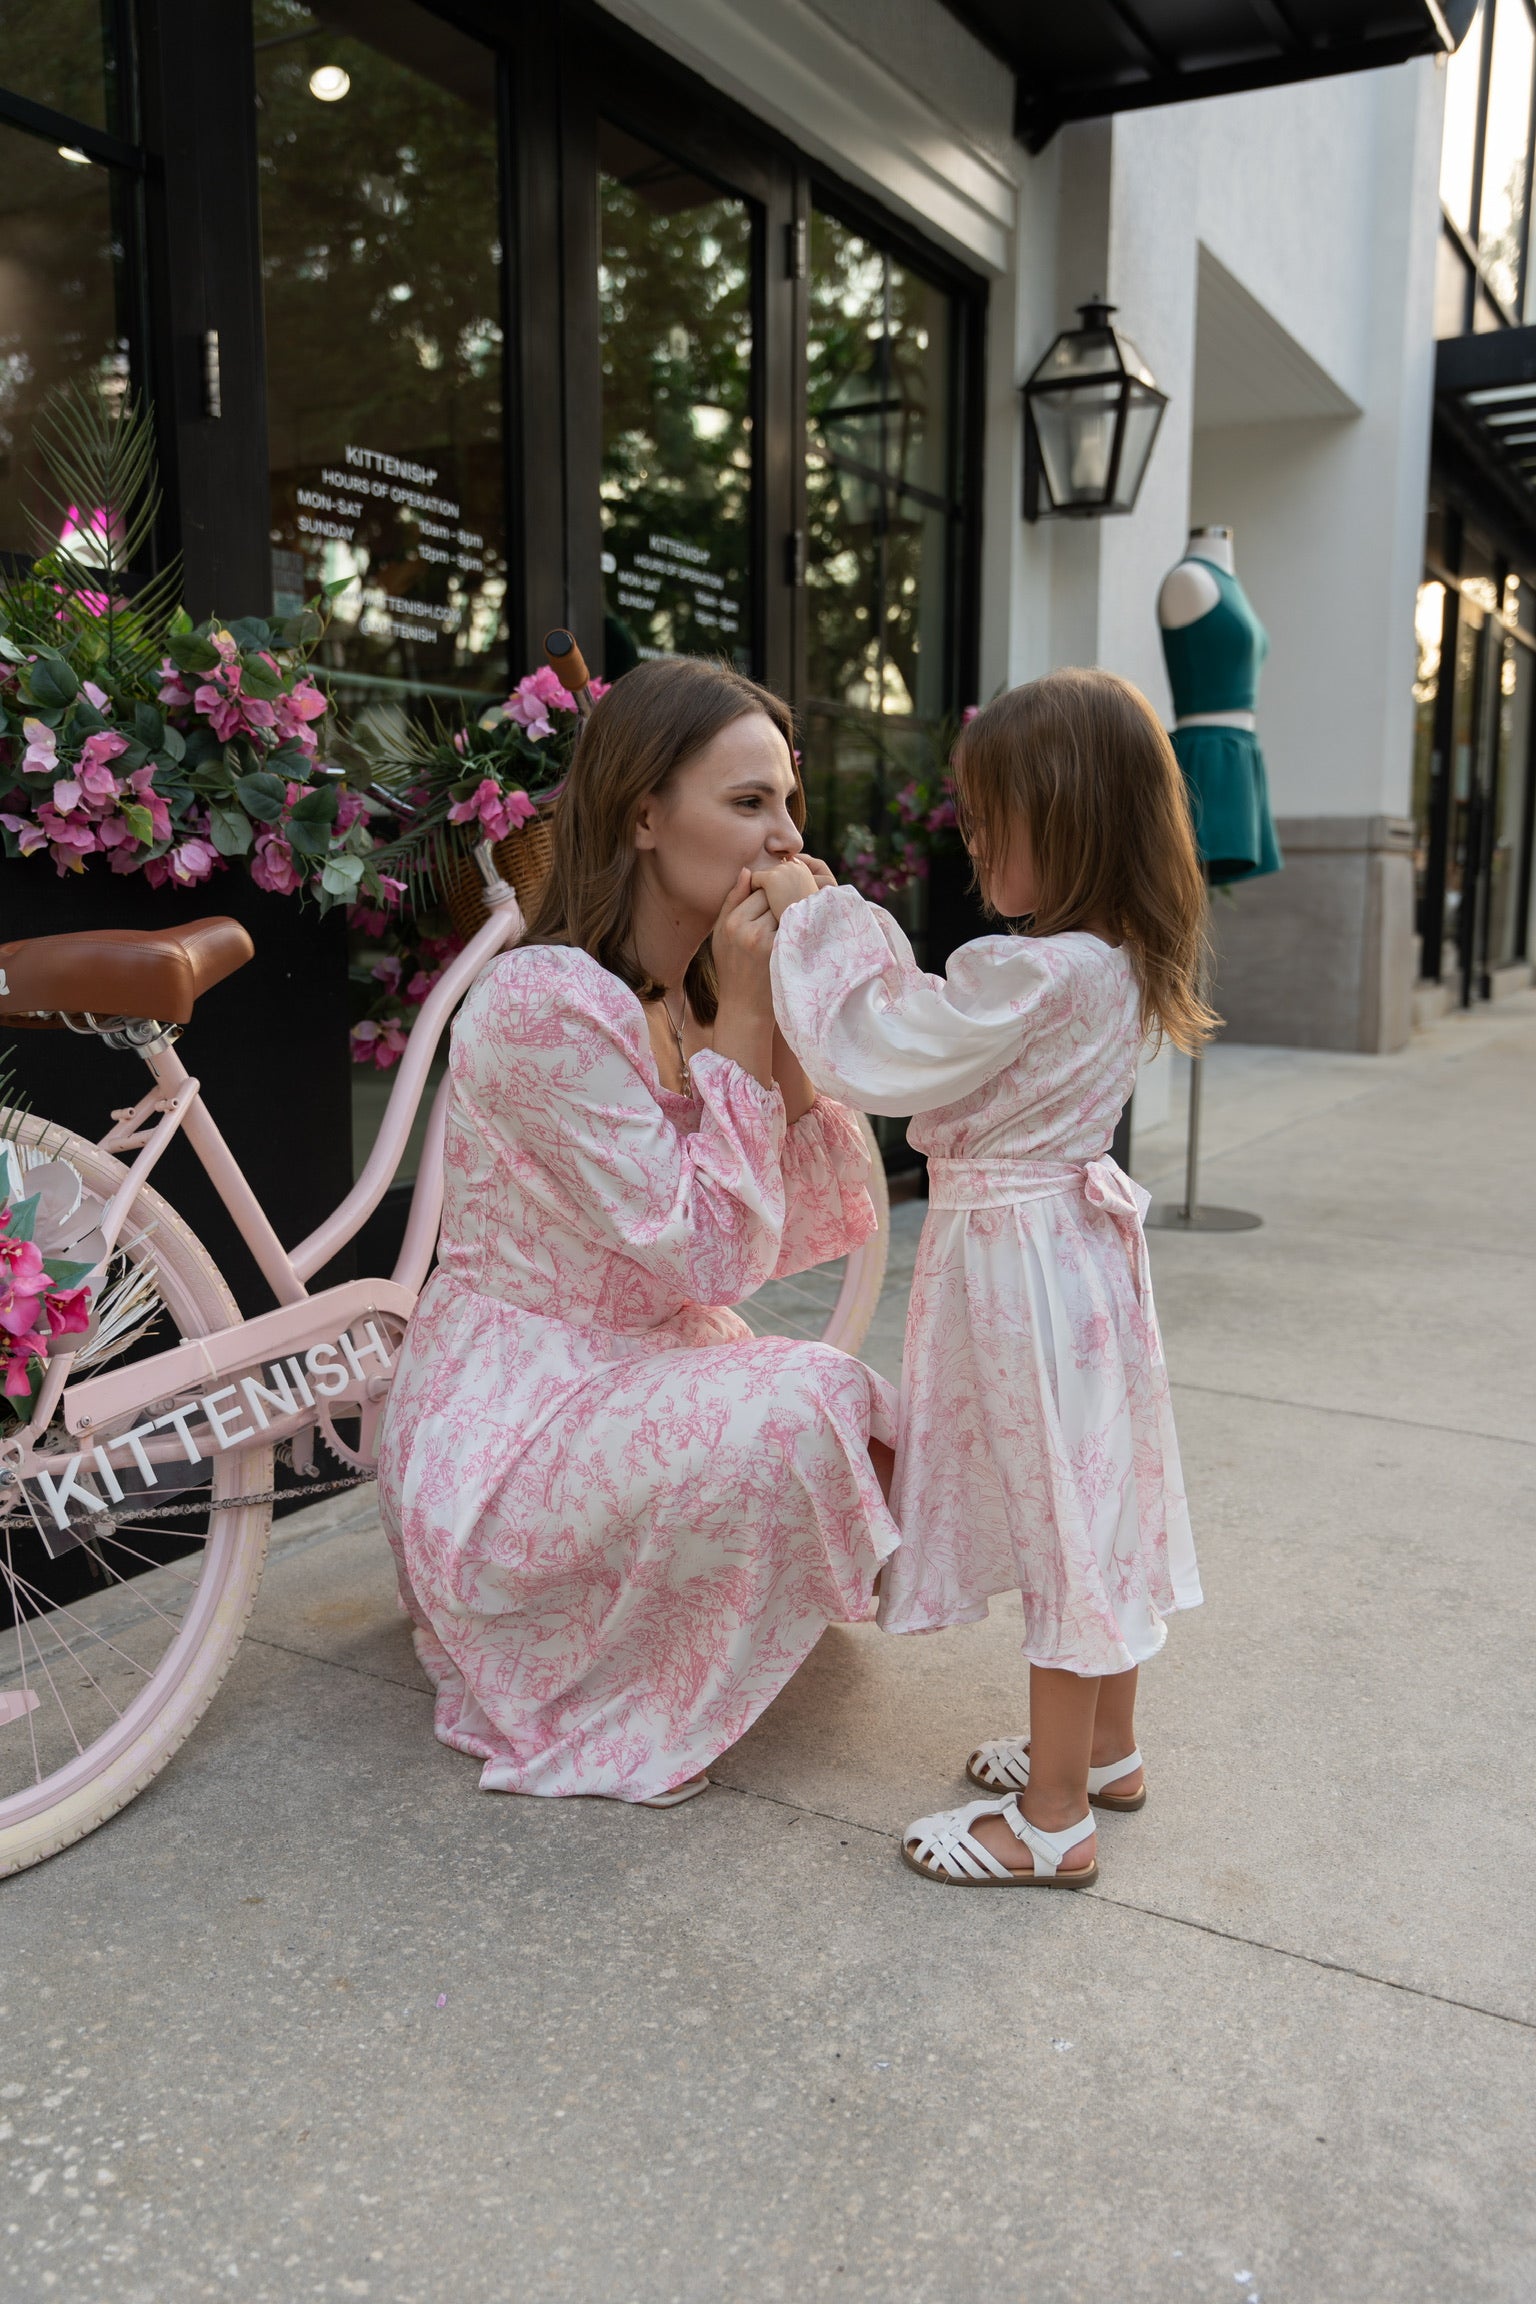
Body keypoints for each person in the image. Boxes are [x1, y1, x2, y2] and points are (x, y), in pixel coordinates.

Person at [376, 657, 899, 1807]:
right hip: (511, 1428)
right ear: (646, 814)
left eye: (789, 806)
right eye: (748, 802)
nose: (783, 841)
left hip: (636, 1371)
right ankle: (587, 1659)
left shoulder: (683, 991)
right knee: (813, 1402)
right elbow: (714, 1253)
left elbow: (808, 1216)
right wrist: (752, 1010)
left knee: (889, 1416)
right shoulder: (542, 1000)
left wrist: (784, 1011)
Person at [761, 667, 1210, 1886]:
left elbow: (892, 1034)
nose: (972, 841)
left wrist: (818, 919)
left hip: (1024, 1269)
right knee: (1095, 1503)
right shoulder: (1110, 964)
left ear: (1061, 822)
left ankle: (1051, 1822)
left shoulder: (1037, 971)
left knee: (1062, 1522)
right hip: (1077, 1264)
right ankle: (1106, 1752)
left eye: (990, 818)